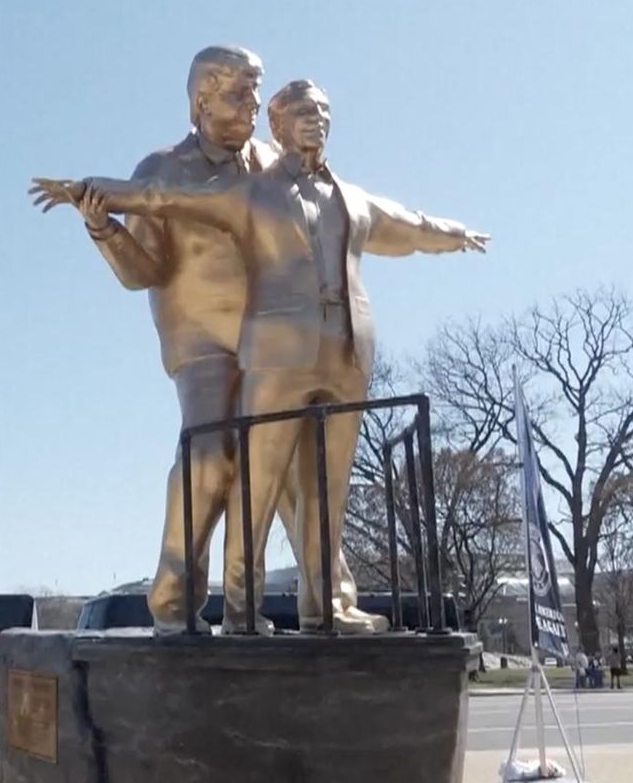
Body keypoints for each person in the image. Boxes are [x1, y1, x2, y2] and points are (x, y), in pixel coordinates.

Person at [32, 79, 487, 628]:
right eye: (244, 97)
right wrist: (92, 200)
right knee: (229, 468)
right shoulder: (191, 174)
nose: (254, 104)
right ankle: (201, 603)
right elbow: (154, 233)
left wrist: (455, 233)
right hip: (221, 343)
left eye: (320, 111)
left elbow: (403, 224)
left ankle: (329, 604)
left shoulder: (314, 181)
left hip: (333, 349)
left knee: (319, 482)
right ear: (202, 102)